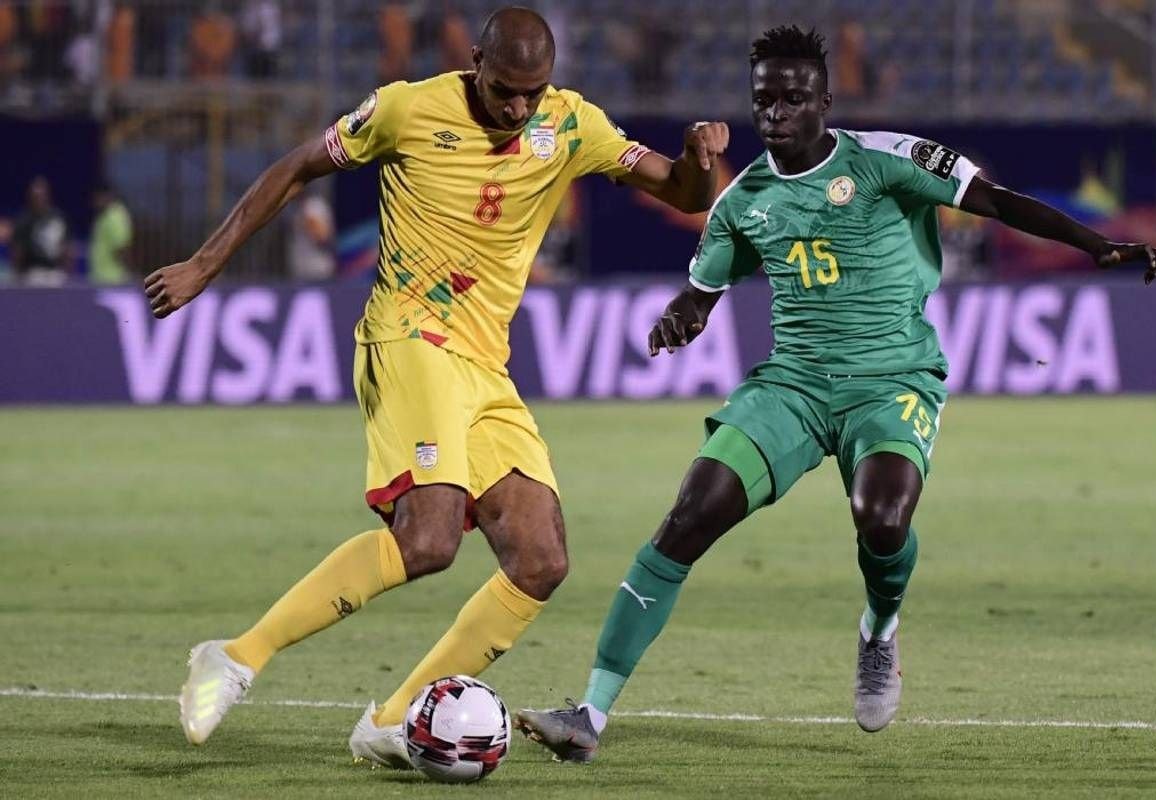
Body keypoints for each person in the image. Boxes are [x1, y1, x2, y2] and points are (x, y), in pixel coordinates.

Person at [515, 24, 1156, 763]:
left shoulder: (888, 159)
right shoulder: (743, 201)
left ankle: (879, 632)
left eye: (793, 99)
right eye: (764, 100)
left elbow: (997, 201)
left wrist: (1096, 245)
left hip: (892, 378)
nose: (776, 113)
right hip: (792, 386)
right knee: (689, 517)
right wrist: (679, 319)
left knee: (881, 519)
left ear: (824, 102)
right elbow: (700, 296)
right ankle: (589, 714)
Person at [146, 6, 729, 765]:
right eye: (504, 90)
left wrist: (698, 159)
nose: (517, 109)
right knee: (427, 540)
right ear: (475, 62)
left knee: (541, 561)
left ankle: (390, 720)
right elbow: (296, 166)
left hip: (485, 365)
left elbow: (684, 193)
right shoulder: (406, 109)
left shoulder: (570, 123)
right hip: (409, 333)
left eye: (532, 93)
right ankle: (234, 656)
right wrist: (204, 264)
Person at [12, 176, 71, 286]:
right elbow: (18, 251)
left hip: (55, 273)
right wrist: (17, 274)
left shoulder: (58, 218)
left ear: (48, 196)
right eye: (36, 196)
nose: (39, 199)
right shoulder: (24, 221)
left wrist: (66, 272)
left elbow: (67, 247)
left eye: (42, 195)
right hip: (32, 273)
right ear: (30, 197)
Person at [88, 183, 133, 285]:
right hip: (101, 278)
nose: (94, 202)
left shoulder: (115, 217)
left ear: (107, 196)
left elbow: (122, 248)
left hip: (113, 280)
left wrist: (129, 273)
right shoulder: (104, 215)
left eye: (97, 197)